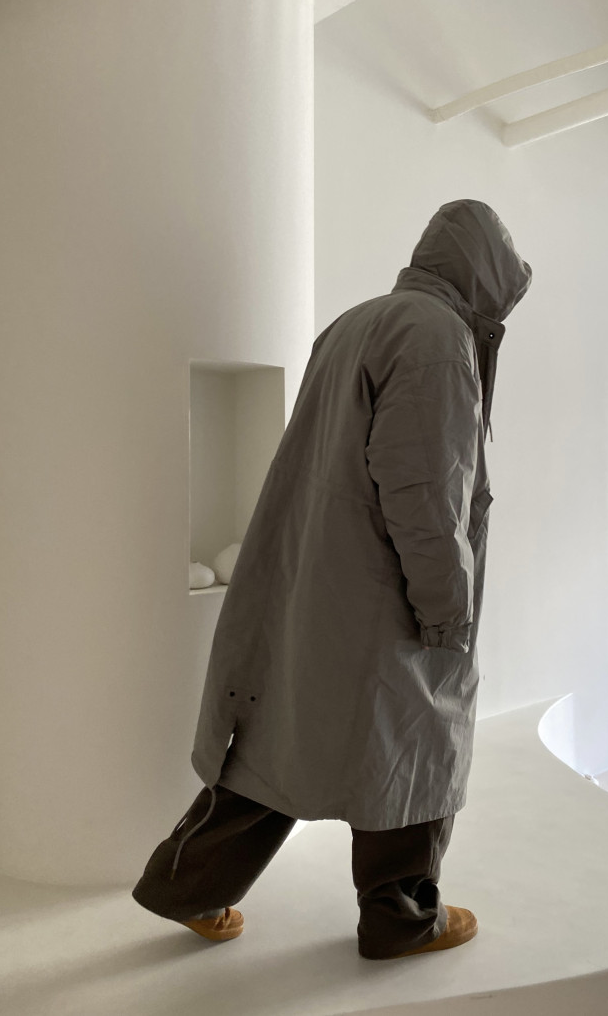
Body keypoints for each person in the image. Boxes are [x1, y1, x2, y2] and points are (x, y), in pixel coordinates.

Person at [132, 199, 532, 960]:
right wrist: (446, 614)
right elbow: (424, 493)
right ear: (484, 273)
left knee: (282, 742)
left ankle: (183, 884)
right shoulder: (438, 338)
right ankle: (400, 917)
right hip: (387, 589)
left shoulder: (356, 321)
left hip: (318, 574)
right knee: (415, 740)